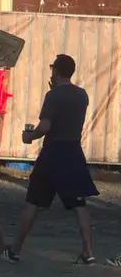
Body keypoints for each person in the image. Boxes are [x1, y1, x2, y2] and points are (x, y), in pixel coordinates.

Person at [8, 54, 99, 264]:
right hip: (74, 152)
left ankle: (15, 250)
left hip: (53, 153)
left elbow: (47, 126)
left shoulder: (53, 96)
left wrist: (30, 136)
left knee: (33, 202)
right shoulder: (82, 95)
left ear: (56, 71)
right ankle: (88, 252)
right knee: (79, 205)